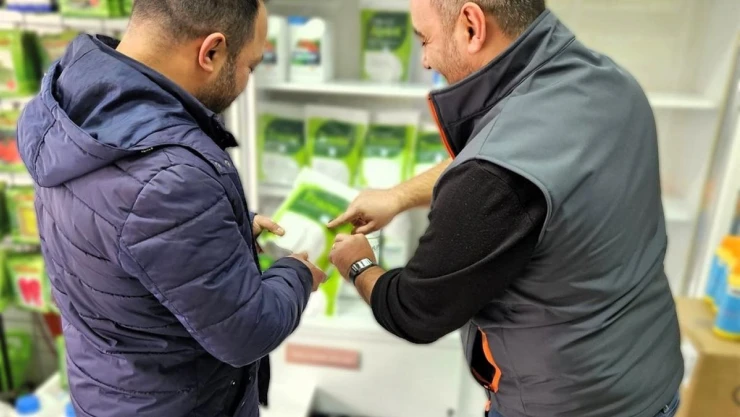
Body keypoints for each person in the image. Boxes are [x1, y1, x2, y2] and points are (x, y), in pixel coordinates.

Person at [328, 1, 683, 417]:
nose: (425, 61)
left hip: (565, 406)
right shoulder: (609, 82)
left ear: (471, 26)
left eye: (425, 40)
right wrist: (398, 196)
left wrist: (358, 265)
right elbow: (509, 159)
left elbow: (415, 310)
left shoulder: (493, 175)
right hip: (651, 378)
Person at [16, 1, 326, 416]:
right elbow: (246, 332)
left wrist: (226, 228)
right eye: (250, 66)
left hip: (108, 388)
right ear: (211, 52)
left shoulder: (67, 103)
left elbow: (116, 230)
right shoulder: (170, 178)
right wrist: (297, 273)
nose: (247, 80)